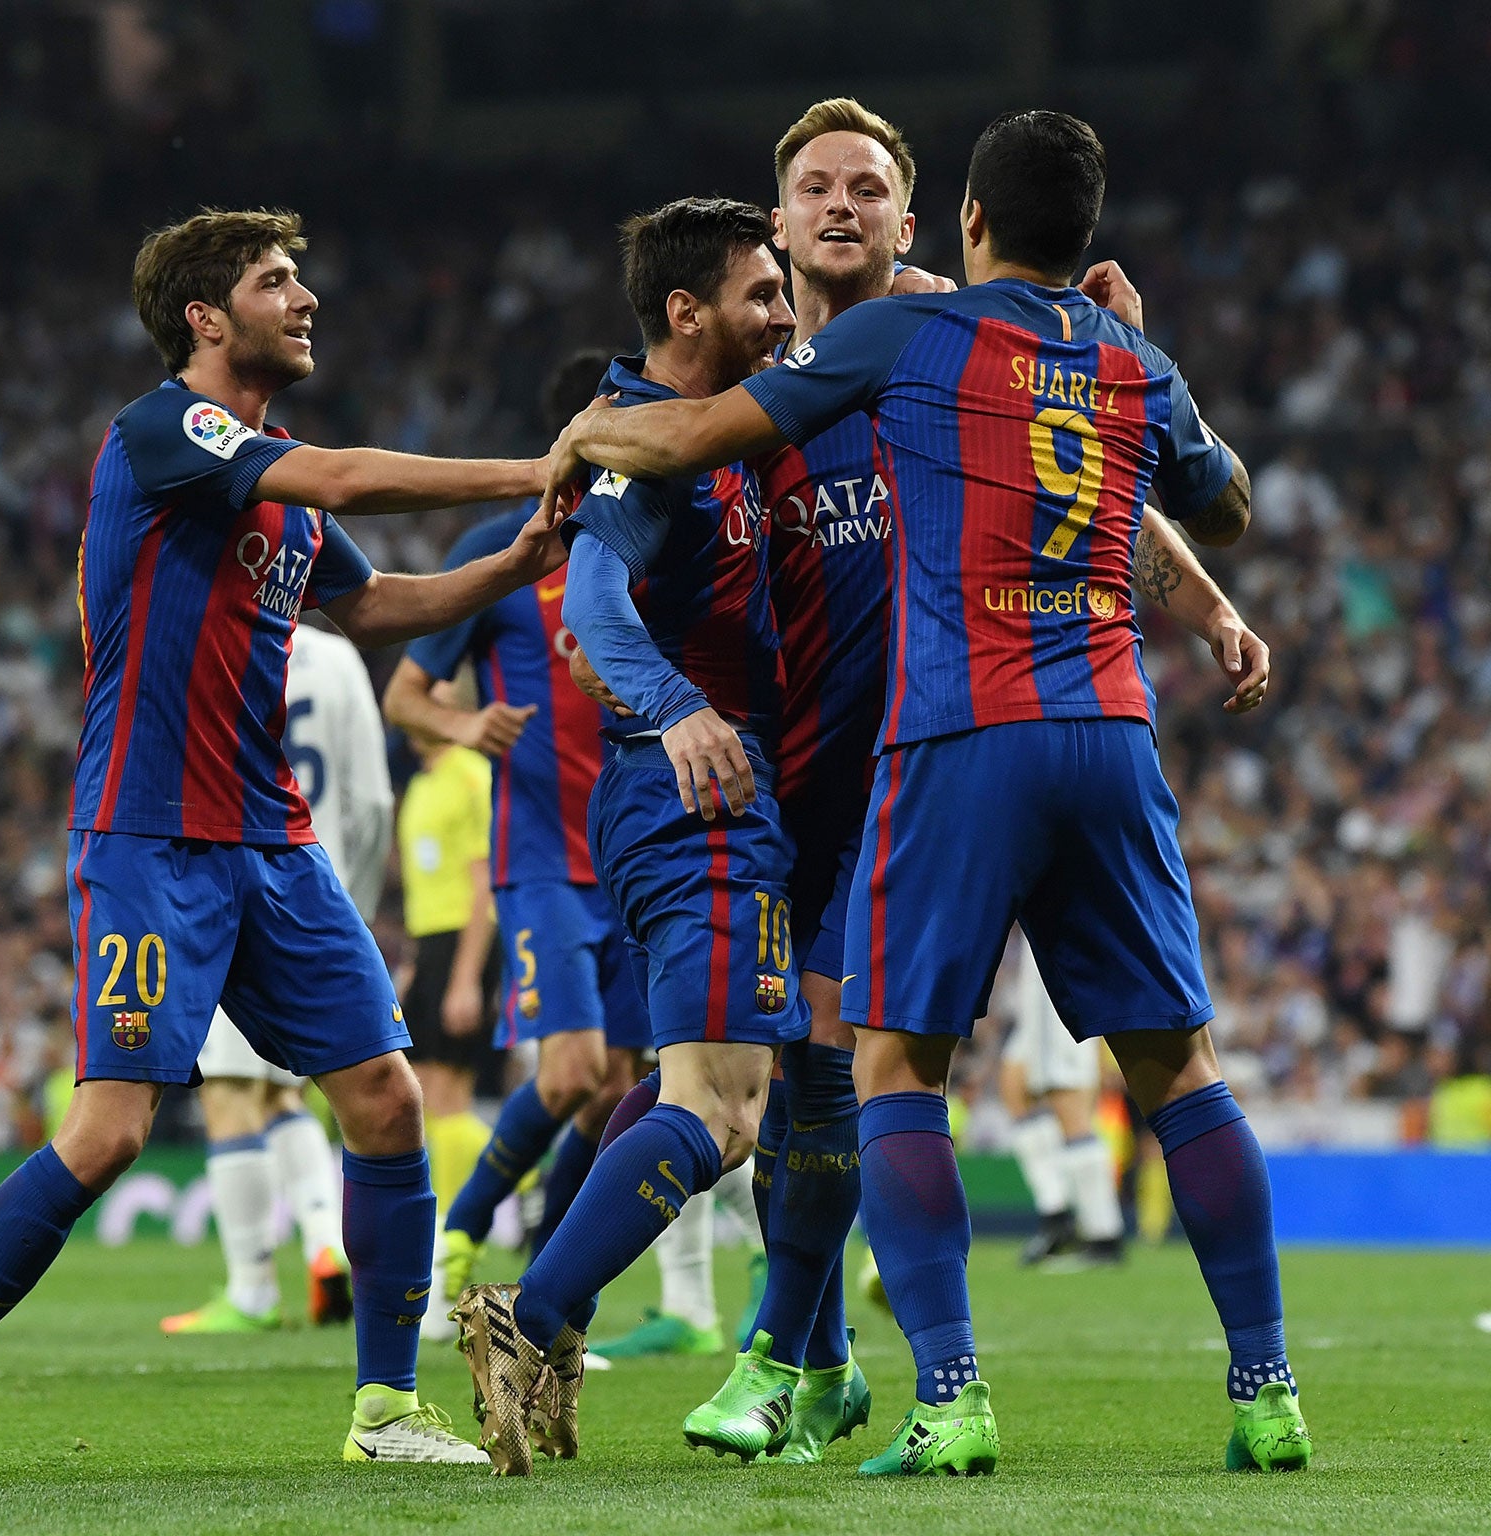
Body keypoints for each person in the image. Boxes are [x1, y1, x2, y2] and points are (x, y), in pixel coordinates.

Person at [542, 110, 1305, 1477]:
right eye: (815, 188)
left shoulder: (913, 338)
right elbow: (1182, 481)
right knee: (1160, 1066)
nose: (841, 207)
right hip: (1057, 735)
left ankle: (895, 1383)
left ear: (936, 220)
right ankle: (1262, 1388)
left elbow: (681, 440)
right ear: (776, 221)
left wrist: (586, 433)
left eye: (870, 188)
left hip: (943, 749)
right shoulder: (1096, 346)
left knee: (875, 1070)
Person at [0, 207, 569, 1479]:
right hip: (148, 836)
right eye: (277, 281)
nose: (305, 300)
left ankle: (383, 1410)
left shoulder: (272, 479)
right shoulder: (165, 430)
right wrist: (531, 469)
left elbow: (379, 606)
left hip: (270, 843)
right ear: (204, 315)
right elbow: (339, 479)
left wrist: (520, 559)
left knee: (387, 1101)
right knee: (113, 1129)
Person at [453, 196, 806, 1477]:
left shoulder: (711, 429)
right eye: (760, 293)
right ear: (684, 312)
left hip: (711, 796)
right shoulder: (639, 451)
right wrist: (679, 714)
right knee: (720, 1111)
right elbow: (591, 607)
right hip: (692, 796)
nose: (781, 313)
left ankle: (561, 1311)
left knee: (686, 1093)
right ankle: (526, 1317)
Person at [382, 350, 649, 1341]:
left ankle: (544, 1302)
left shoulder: (650, 540)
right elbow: (405, 694)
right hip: (539, 857)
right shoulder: (504, 547)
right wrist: (462, 727)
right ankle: (457, 1235)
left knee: (615, 1095)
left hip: (635, 854)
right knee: (574, 1072)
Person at [160, 620, 393, 1335]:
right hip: (320, 893)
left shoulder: (216, 642)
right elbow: (374, 803)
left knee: (231, 1093)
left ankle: (252, 1289)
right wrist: (353, 906)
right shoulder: (341, 655)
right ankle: (325, 1241)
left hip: (236, 888)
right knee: (286, 1094)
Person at [393, 699, 499, 1213]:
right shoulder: (421, 782)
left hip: (465, 940)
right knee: (424, 1091)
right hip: (431, 945)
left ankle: (501, 1186)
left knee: (446, 1093)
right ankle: (507, 1183)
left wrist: (466, 978)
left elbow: (484, 884)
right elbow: (423, 885)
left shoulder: (472, 774)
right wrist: (415, 964)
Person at [1000, 928, 1127, 1268]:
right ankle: (1056, 1214)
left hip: (1057, 944)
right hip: (1039, 952)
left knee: (1066, 1094)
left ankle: (1104, 1235)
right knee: (1014, 1084)